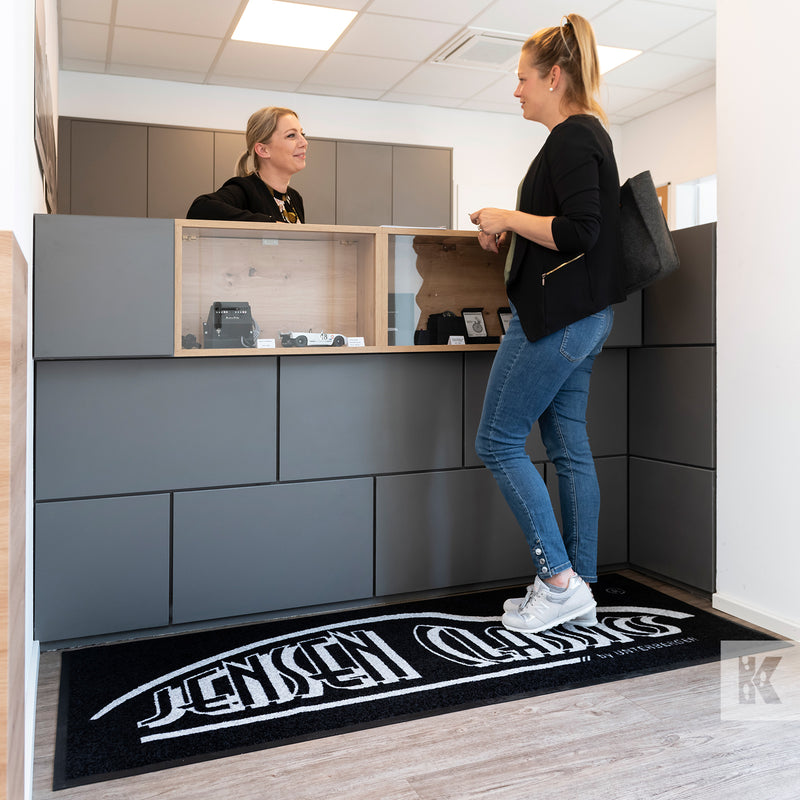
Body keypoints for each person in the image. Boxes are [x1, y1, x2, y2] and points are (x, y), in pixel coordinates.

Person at [470, 13, 625, 634]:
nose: (517, 90)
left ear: (554, 76)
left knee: (497, 440)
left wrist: (506, 214)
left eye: (523, 78)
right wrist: (508, 229)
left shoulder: (573, 138)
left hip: (559, 320)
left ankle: (557, 581)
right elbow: (569, 230)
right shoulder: (584, 137)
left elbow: (580, 233)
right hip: (583, 317)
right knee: (566, 446)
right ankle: (577, 584)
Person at [187, 106, 307, 223]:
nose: (304, 142)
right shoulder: (245, 189)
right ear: (263, 150)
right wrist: (270, 224)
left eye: (303, 134)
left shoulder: (295, 197)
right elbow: (200, 208)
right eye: (291, 135)